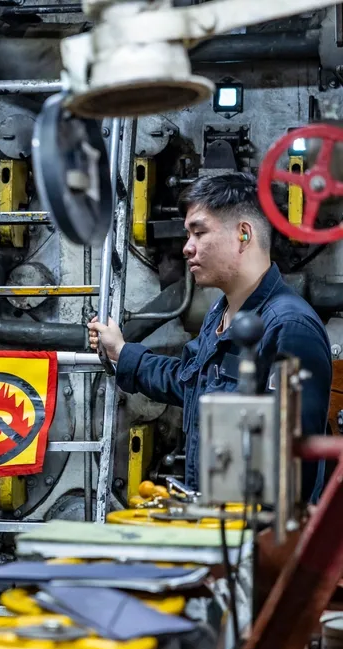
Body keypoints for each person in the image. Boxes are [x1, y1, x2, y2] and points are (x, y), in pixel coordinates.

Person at [89, 172, 331, 498]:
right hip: (214, 524)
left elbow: (297, 469)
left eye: (199, 233)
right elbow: (191, 384)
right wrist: (122, 352)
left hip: (253, 537)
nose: (187, 248)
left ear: (243, 235)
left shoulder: (289, 328)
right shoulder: (219, 314)